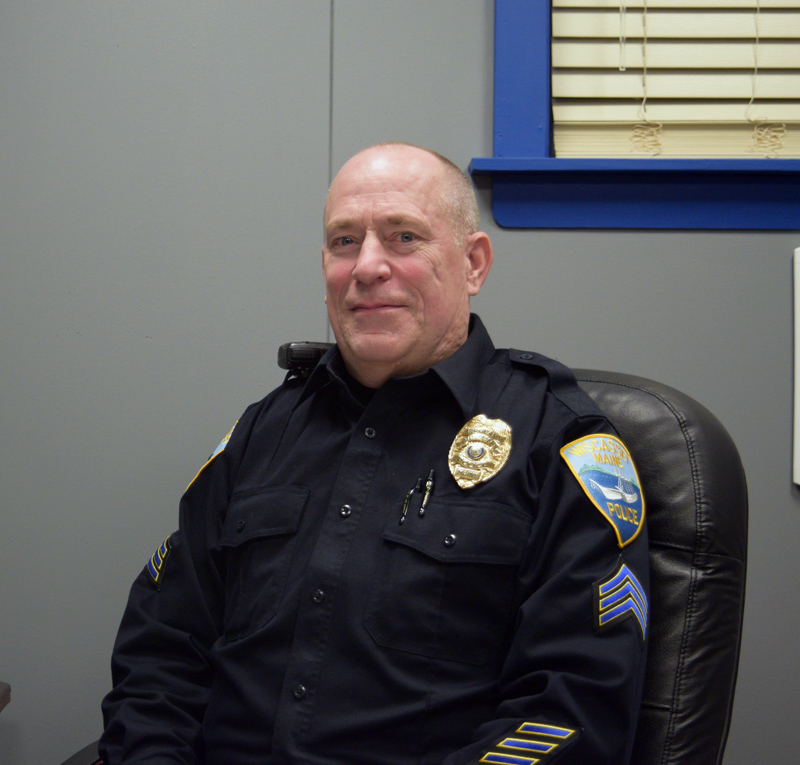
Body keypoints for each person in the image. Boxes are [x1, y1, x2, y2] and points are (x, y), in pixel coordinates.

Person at [100, 143, 649, 765]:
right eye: (343, 242)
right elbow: (161, 655)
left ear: (473, 264)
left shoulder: (558, 442)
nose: (367, 266)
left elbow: (571, 709)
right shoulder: (264, 433)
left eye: (404, 237)